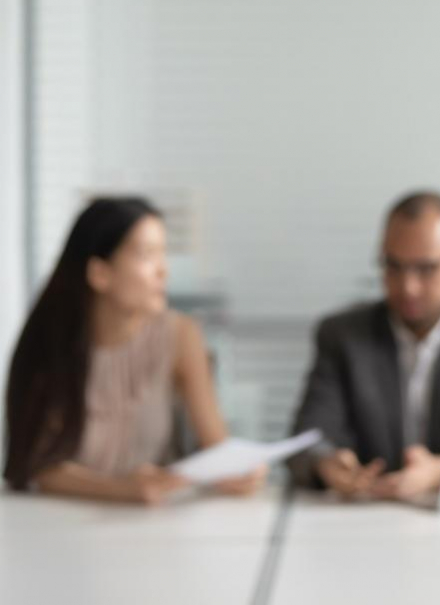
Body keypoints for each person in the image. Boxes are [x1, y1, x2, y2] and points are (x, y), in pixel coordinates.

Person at [3, 196, 265, 503]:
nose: (163, 271)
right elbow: (40, 467)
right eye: (146, 255)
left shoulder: (181, 335)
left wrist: (237, 469)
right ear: (100, 273)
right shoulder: (51, 343)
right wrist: (120, 490)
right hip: (58, 523)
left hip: (156, 528)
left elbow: (215, 445)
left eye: (163, 254)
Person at [287, 192, 440, 502]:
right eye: (393, 266)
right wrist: (326, 463)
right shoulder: (343, 335)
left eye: (425, 269)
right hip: (365, 520)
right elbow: (307, 440)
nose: (407, 286)